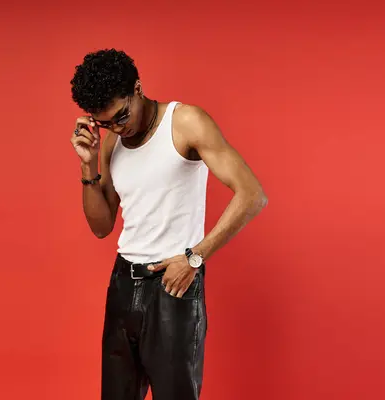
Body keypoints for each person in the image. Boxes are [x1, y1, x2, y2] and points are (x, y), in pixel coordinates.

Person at [69, 48, 268, 400]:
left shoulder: (185, 122)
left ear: (138, 88)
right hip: (122, 284)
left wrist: (195, 257)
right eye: (105, 123)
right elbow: (101, 226)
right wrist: (88, 167)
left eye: (121, 116)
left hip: (172, 286)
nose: (117, 127)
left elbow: (252, 195)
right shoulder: (113, 139)